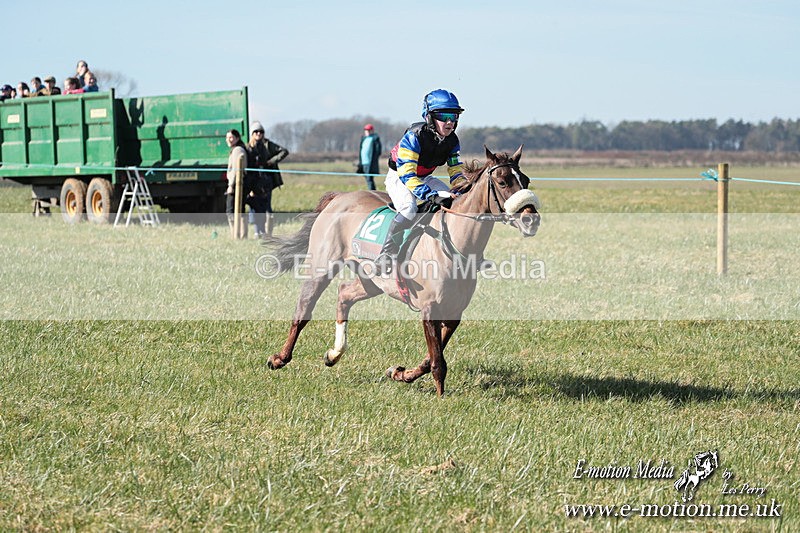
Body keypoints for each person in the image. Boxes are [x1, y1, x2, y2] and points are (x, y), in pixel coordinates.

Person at [376, 89, 466, 274]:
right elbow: (408, 175)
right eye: (444, 115)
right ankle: (386, 253)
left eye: (454, 116)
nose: (450, 122)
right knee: (409, 209)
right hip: (400, 178)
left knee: (454, 201)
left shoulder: (452, 140)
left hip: (425, 177)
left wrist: (462, 188)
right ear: (429, 117)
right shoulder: (413, 136)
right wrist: (431, 196)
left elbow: (455, 170)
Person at [245, 121, 273, 238]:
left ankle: (264, 231)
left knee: (264, 208)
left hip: (265, 183)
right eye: (256, 131)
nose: (258, 134)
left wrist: (271, 162)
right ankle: (257, 231)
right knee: (255, 208)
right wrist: (250, 188)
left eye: (261, 132)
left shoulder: (265, 147)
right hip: (253, 183)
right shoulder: (248, 149)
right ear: (252, 133)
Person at [225, 129, 249, 238]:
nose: (228, 140)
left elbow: (236, 169)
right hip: (238, 183)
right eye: (227, 138)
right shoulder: (236, 149)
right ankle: (240, 235)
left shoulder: (237, 150)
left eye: (231, 137)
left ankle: (237, 234)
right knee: (240, 210)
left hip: (236, 185)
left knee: (231, 210)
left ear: (237, 138)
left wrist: (231, 185)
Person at [358, 123, 382, 190]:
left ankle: (372, 191)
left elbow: (378, 151)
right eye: (366, 130)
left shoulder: (375, 139)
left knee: (369, 179)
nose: (367, 131)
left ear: (372, 130)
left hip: (370, 163)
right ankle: (371, 190)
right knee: (367, 178)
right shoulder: (363, 139)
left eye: (369, 130)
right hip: (363, 162)